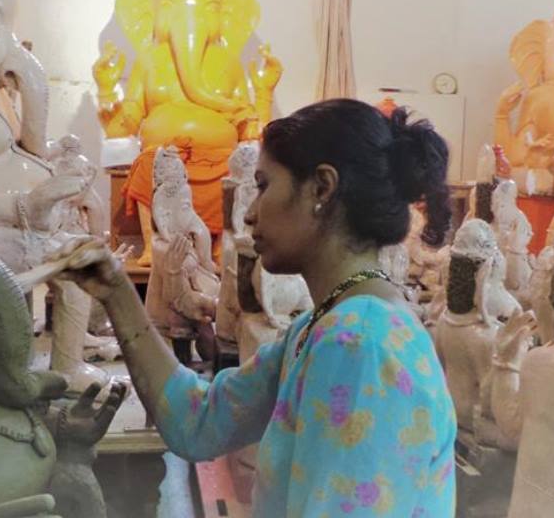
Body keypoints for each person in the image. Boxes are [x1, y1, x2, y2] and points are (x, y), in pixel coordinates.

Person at [57, 98, 457, 516]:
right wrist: (117, 291)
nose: (248, 213)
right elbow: (198, 422)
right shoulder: (322, 325)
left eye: (264, 186)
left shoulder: (360, 345)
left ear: (321, 188)